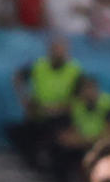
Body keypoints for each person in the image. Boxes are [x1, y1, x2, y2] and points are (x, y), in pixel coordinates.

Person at [6, 38, 82, 170]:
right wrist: (24, 98)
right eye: (55, 50)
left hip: (61, 115)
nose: (58, 54)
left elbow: (79, 96)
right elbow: (17, 77)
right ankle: (33, 162)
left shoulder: (74, 70)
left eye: (61, 51)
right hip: (39, 112)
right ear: (49, 51)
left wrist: (59, 108)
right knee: (15, 132)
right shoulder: (39, 65)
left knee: (60, 141)